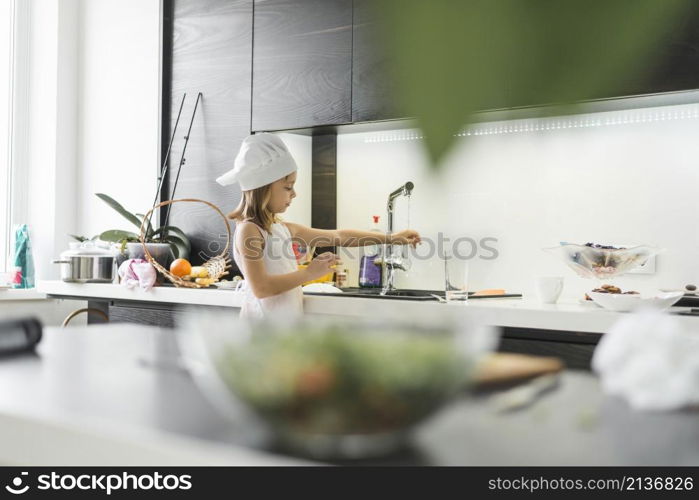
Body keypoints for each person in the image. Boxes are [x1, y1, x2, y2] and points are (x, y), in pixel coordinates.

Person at [217, 133, 421, 319]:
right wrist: (309, 273)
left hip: (283, 329)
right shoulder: (249, 230)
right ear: (263, 189)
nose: (294, 194)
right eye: (288, 187)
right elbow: (261, 288)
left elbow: (339, 236)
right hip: (260, 332)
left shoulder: (281, 228)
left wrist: (392, 238)